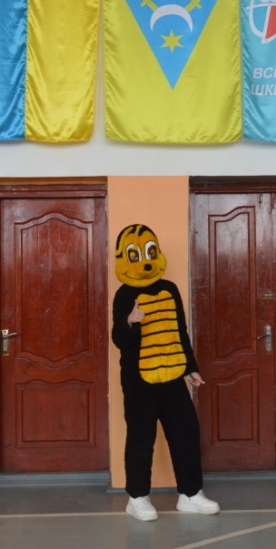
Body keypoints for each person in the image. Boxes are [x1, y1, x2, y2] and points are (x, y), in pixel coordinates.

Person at [111, 223, 220, 521]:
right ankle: (137, 498)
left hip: (172, 376)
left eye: (150, 252)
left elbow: (180, 331)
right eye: (137, 254)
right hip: (140, 381)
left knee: (186, 434)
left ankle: (190, 494)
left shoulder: (170, 290)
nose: (145, 261)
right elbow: (119, 340)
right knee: (141, 438)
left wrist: (190, 368)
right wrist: (130, 321)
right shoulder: (124, 295)